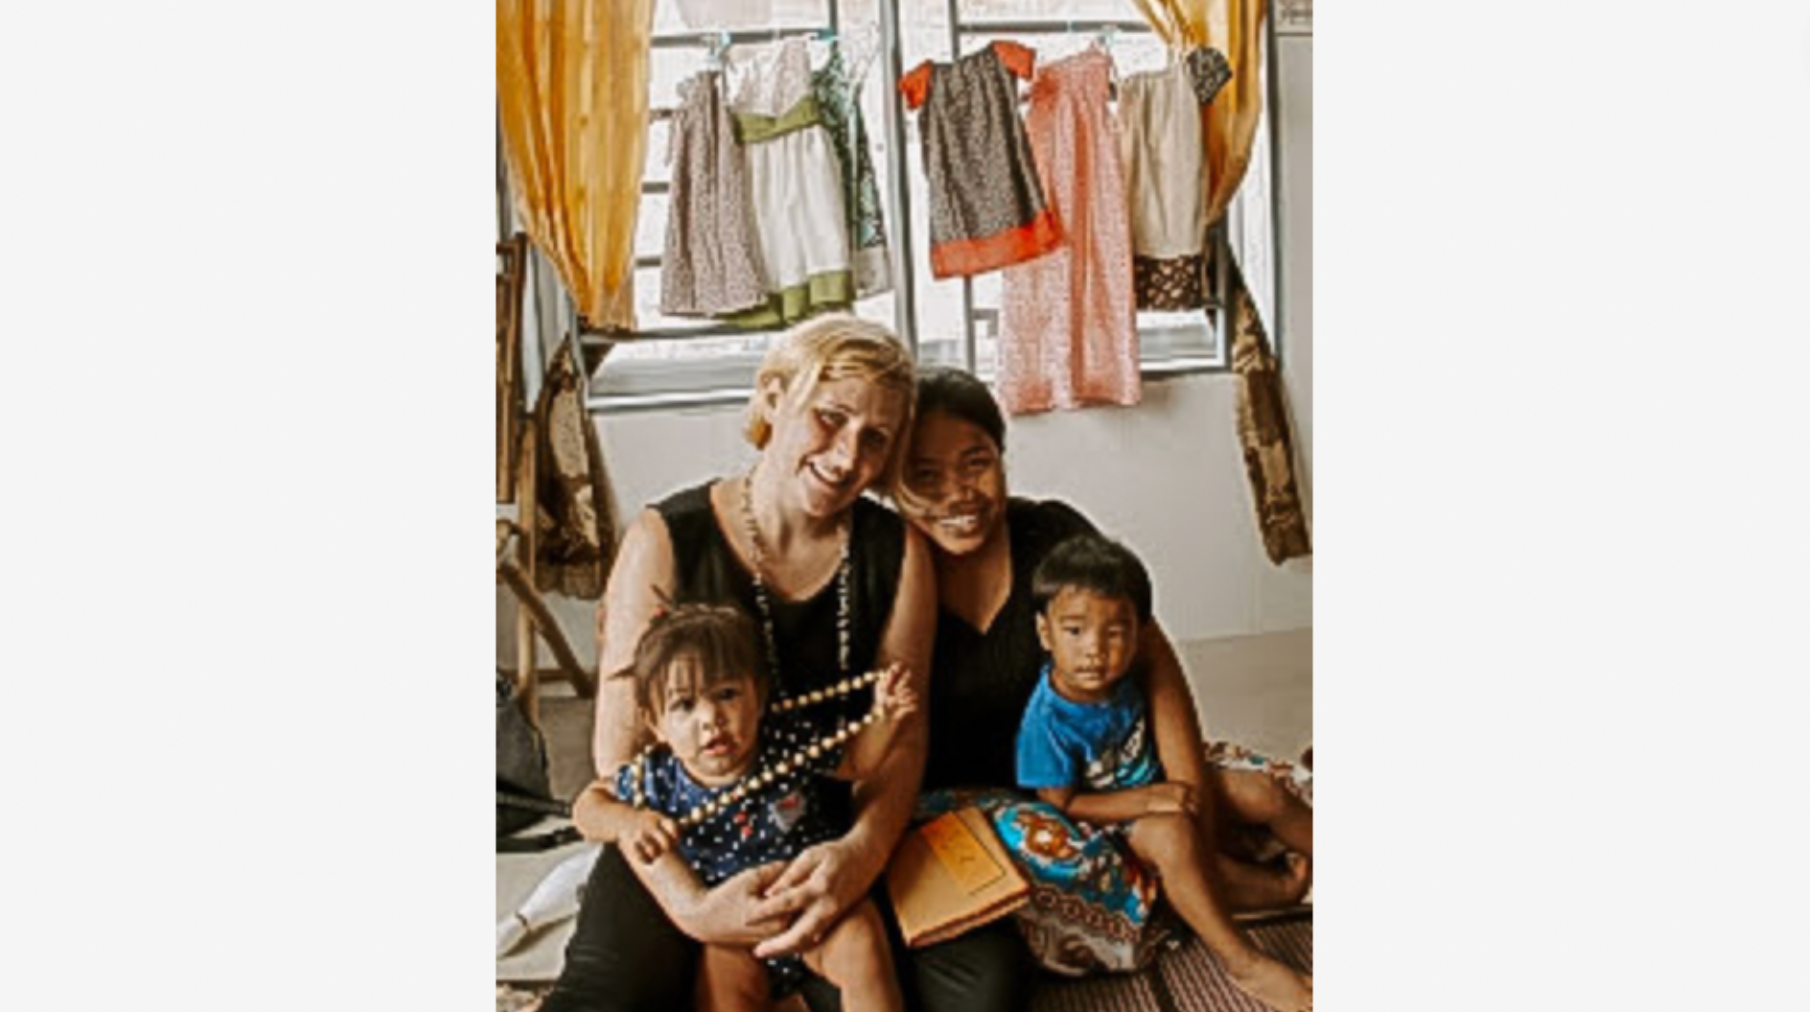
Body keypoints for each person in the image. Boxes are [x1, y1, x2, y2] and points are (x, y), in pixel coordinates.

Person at [545, 316, 1023, 1012]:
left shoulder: (897, 550)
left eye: (876, 438)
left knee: (985, 992)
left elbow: (902, 737)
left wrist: (858, 856)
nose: (847, 455)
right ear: (773, 398)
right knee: (603, 1000)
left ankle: (793, 978)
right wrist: (694, 908)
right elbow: (617, 765)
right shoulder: (665, 538)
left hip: (827, 825)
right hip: (686, 836)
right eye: (830, 417)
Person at [893, 365, 1311, 978]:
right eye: (925, 475)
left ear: (1002, 456)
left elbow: (1154, 663)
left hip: (1105, 763)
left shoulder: (1049, 534)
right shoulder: (888, 569)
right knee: (1069, 855)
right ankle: (1207, 890)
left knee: (1268, 790)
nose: (957, 493)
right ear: (891, 483)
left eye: (975, 462)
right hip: (999, 801)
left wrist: (1194, 803)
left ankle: (1208, 874)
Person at [1016, 535, 1311, 1012]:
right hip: (1112, 820)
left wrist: (1172, 790)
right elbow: (1059, 803)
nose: (1095, 651)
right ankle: (1244, 962)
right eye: (1075, 631)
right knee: (1175, 837)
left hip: (1163, 786)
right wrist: (1149, 800)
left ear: (1140, 635)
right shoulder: (1048, 720)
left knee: (1262, 792)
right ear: (1045, 633)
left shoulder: (1127, 676)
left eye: (1115, 633)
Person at [591, 603, 916, 1012]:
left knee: (863, 943)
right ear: (654, 723)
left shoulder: (783, 741)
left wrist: (886, 717)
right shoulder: (655, 778)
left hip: (811, 903)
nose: (711, 718)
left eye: (726, 695)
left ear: (759, 697)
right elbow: (588, 806)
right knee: (722, 993)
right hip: (732, 926)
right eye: (684, 705)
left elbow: (856, 761)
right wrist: (628, 821)